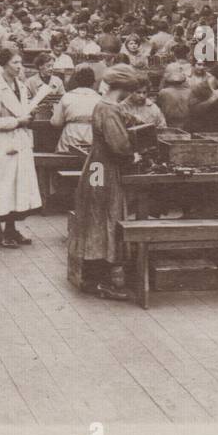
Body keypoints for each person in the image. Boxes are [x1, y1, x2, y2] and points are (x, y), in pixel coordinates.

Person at [67, 63, 146, 300]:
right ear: (123, 88)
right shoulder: (109, 109)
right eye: (130, 90)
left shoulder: (106, 105)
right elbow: (119, 146)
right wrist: (135, 154)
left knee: (96, 217)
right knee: (104, 218)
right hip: (105, 169)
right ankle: (99, 280)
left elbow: (125, 119)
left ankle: (93, 276)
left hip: (97, 167)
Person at [0, 47, 42, 247]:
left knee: (16, 186)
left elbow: (23, 110)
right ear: (4, 64)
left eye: (20, 63)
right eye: (15, 63)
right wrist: (18, 121)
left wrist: (30, 113)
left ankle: (12, 229)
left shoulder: (20, 86)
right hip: (2, 143)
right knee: (0, 187)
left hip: (19, 141)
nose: (19, 67)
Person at [52, 65, 102, 153]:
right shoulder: (99, 99)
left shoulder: (67, 96)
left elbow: (56, 123)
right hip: (91, 137)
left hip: (70, 137)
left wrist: (55, 110)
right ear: (93, 82)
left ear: (77, 81)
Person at [156, 63, 192, 129]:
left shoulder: (164, 92)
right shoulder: (190, 91)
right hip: (187, 125)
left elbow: (159, 107)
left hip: (170, 124)